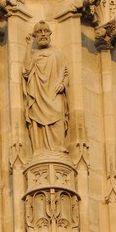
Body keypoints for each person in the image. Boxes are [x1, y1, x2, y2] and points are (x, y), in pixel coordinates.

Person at [22, 21, 69, 151]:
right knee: (37, 119)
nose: (43, 34)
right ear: (35, 36)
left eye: (45, 31)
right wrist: (28, 46)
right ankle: (40, 148)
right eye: (39, 32)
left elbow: (65, 73)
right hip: (38, 95)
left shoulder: (58, 53)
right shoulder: (33, 54)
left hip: (54, 94)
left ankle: (59, 146)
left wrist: (63, 84)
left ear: (50, 34)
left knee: (58, 115)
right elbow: (26, 71)